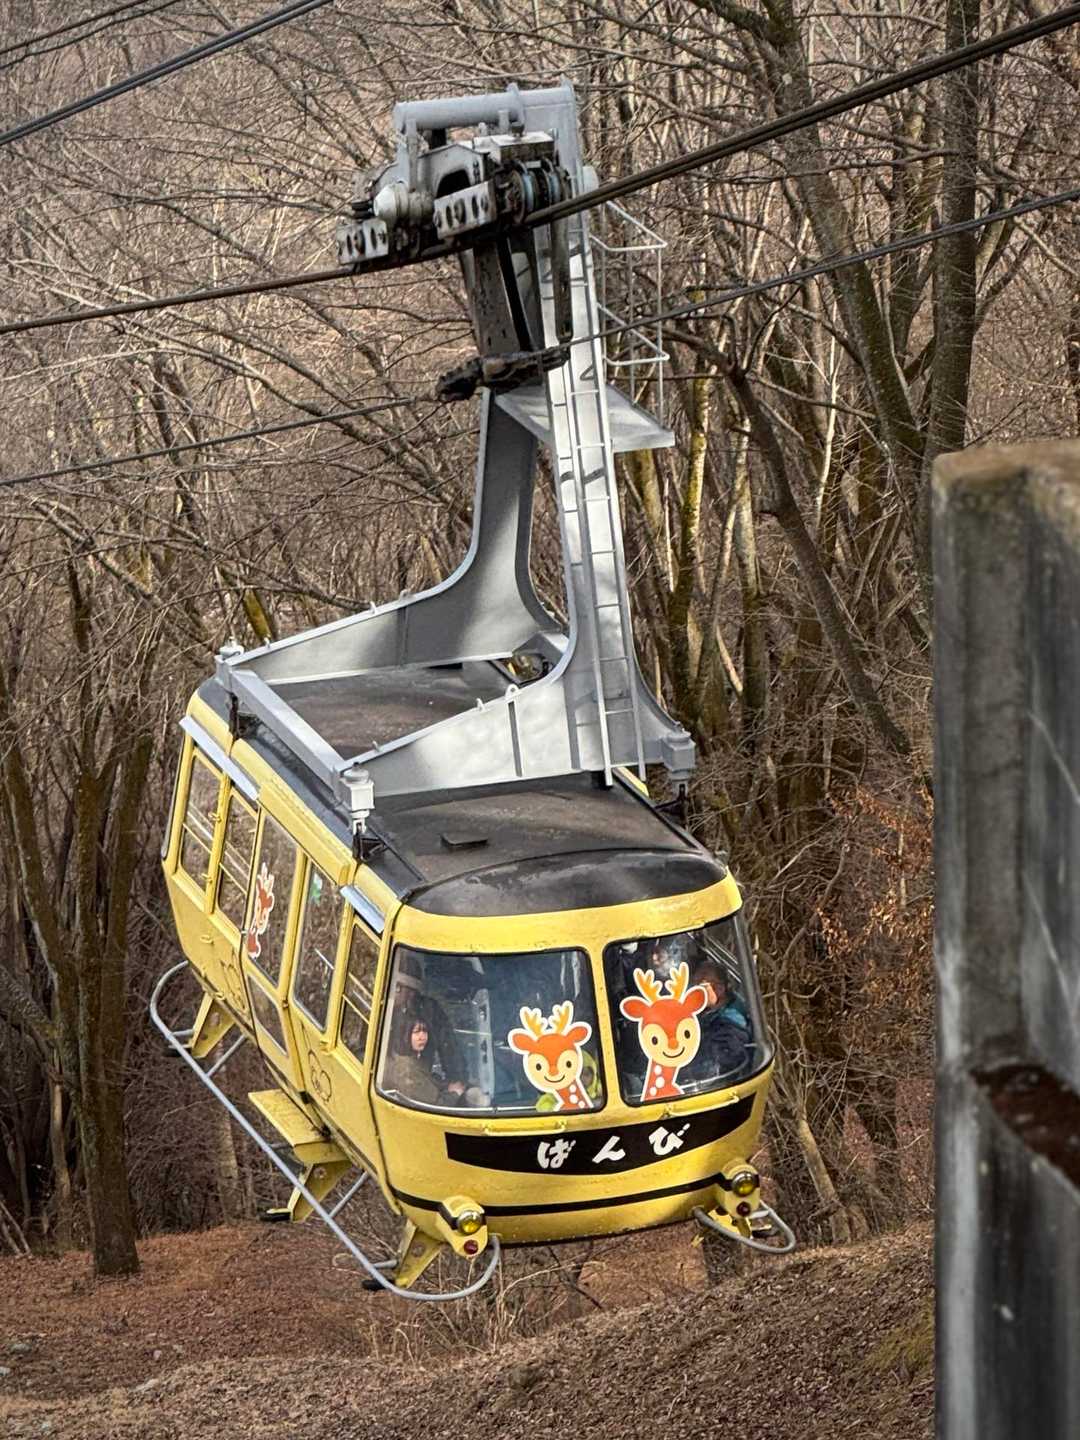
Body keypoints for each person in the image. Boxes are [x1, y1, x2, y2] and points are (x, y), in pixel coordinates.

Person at [690, 957, 751, 1082]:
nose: (693, 992)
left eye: (699, 987)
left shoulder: (730, 1022)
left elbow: (719, 1065)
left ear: (719, 989)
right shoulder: (707, 1014)